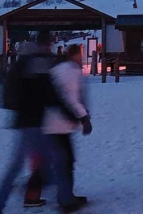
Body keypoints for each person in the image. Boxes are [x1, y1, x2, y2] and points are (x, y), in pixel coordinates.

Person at [0, 31, 58, 213]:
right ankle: (20, 195)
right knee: (45, 160)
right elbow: (47, 91)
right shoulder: (39, 61)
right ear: (48, 43)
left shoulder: (22, 61)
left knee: (24, 163)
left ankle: (0, 204)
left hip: (23, 119)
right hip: (34, 121)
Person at [44, 44, 91, 213]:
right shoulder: (70, 71)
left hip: (54, 122)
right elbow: (70, 98)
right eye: (80, 55)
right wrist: (84, 117)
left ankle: (66, 195)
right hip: (59, 124)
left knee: (64, 161)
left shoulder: (58, 68)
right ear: (75, 55)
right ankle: (65, 200)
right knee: (65, 162)